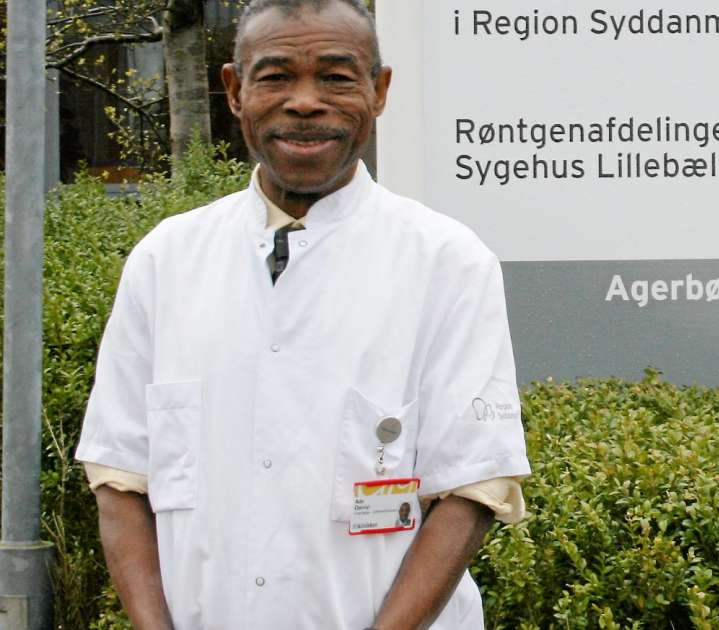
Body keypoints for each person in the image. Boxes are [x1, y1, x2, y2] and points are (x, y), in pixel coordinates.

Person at [73, 1, 530, 628]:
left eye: (337, 77)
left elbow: (471, 489)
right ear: (235, 91)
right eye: (276, 76)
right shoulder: (166, 259)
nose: (306, 102)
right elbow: (121, 478)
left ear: (379, 91)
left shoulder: (448, 262)